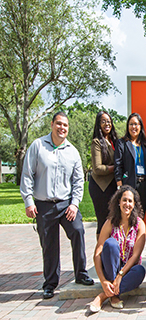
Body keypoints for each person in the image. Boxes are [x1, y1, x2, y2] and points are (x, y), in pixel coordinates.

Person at [20, 111, 94, 299]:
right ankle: (50, 283)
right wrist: (29, 202)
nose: (62, 128)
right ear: (52, 124)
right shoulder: (37, 146)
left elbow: (78, 182)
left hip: (66, 205)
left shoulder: (73, 151)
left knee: (77, 230)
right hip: (43, 206)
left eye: (65, 125)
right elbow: (27, 175)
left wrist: (74, 204)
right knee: (49, 245)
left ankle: (81, 274)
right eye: (59, 124)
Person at [88, 185, 146, 313]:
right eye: (124, 200)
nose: (127, 204)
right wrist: (103, 281)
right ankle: (112, 293)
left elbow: (136, 256)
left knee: (141, 270)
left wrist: (121, 275)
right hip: (111, 266)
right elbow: (98, 253)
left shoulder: (139, 224)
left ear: (134, 204)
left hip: (129, 269)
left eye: (130, 201)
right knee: (110, 244)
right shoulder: (110, 222)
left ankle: (104, 296)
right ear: (118, 202)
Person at [114, 113, 146, 213]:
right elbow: (118, 165)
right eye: (131, 124)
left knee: (140, 214)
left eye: (136, 124)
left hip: (143, 185)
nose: (133, 127)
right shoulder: (122, 143)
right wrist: (120, 186)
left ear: (140, 126)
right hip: (129, 184)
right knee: (128, 214)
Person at [89, 110, 118, 237]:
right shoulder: (97, 142)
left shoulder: (113, 141)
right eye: (103, 121)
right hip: (100, 187)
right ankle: (100, 253)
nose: (107, 124)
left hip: (112, 187)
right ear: (98, 124)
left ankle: (110, 250)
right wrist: (115, 167)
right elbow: (97, 168)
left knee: (113, 220)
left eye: (109, 121)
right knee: (103, 221)